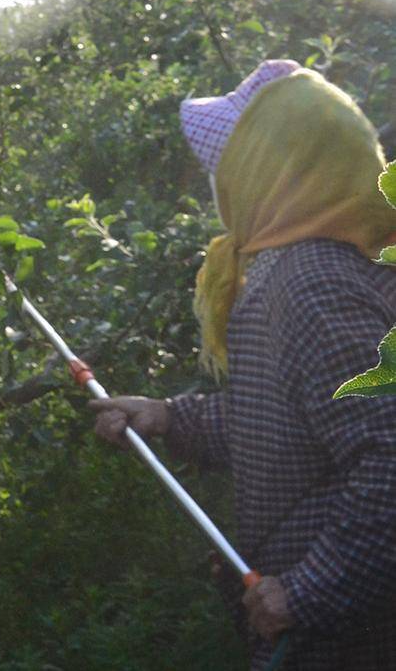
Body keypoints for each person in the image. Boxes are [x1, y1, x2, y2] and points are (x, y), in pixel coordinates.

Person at [89, 60, 396, 670]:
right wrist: (170, 418)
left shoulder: (313, 283)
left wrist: (308, 591)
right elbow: (289, 423)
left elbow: (388, 460)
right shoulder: (298, 271)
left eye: (231, 165)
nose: (221, 182)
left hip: (347, 643)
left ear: (269, 175)